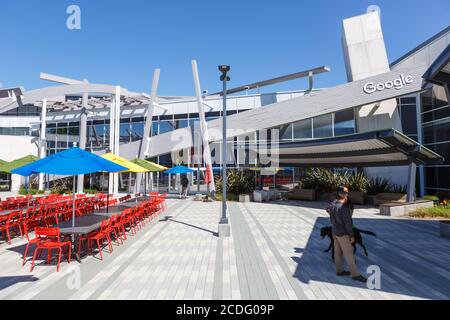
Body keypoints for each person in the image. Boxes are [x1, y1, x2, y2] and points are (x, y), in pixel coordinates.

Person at [327, 186, 367, 282]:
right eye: (346, 193)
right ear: (345, 195)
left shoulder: (333, 204)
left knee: (337, 253)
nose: (347, 195)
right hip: (343, 233)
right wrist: (351, 235)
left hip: (335, 232)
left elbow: (328, 211)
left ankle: (339, 271)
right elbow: (348, 224)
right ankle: (355, 274)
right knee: (349, 254)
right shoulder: (343, 208)